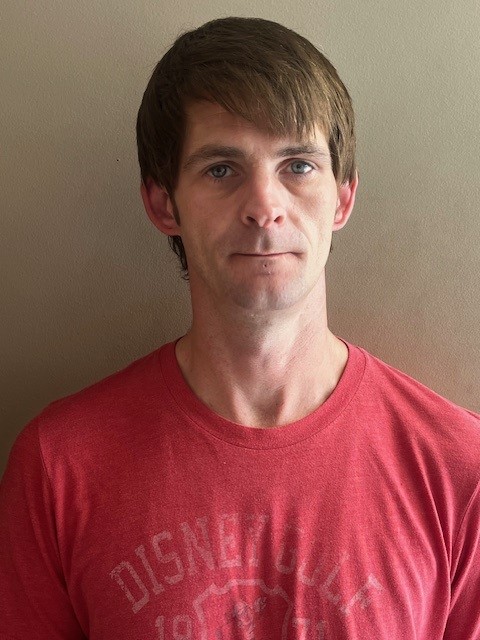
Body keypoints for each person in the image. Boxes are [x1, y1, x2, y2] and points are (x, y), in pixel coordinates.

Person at [1, 16, 479, 640]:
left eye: (298, 166)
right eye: (221, 169)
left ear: (342, 198)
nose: (264, 207)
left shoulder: (458, 470)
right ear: (162, 204)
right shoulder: (59, 468)